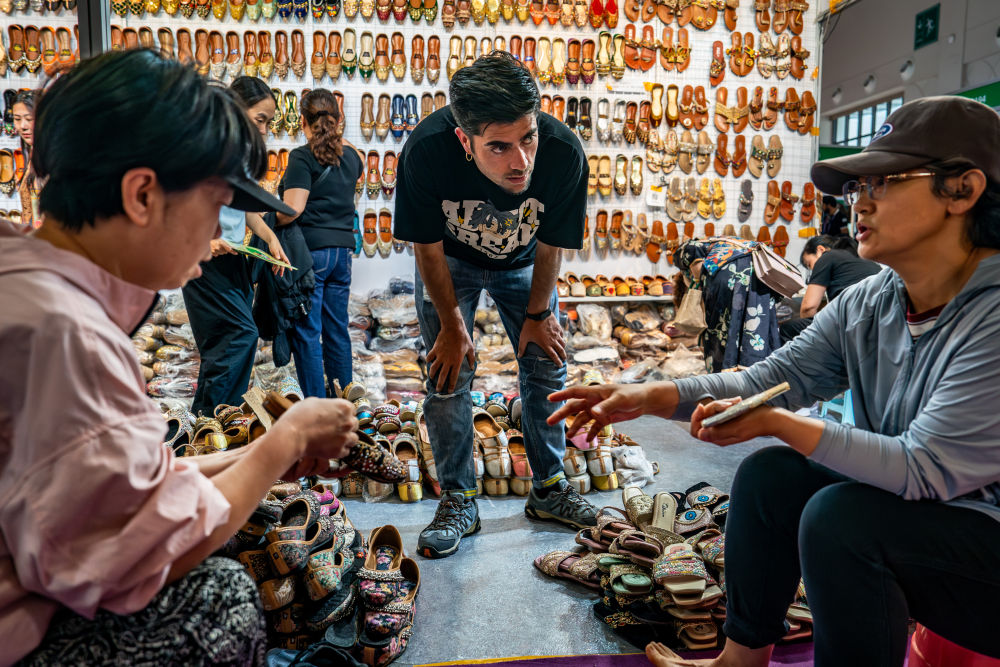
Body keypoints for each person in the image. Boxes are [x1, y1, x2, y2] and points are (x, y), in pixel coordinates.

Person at [549, 95, 1000, 667]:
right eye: (858, 187)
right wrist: (646, 396)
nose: (859, 202)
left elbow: (923, 468)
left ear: (962, 190)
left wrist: (781, 424)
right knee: (772, 478)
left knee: (841, 520)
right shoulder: (871, 301)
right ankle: (740, 661)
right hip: (937, 524)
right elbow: (778, 377)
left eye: (883, 182)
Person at [0, 50, 358, 665]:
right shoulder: (65, 335)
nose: (218, 229)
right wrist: (286, 438)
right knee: (220, 597)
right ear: (143, 194)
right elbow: (134, 555)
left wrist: (264, 453)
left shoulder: (27, 279)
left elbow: (126, 487)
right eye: (214, 205)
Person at [394, 52, 597, 559]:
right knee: (448, 373)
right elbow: (426, 248)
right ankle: (459, 499)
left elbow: (552, 244)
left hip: (525, 263)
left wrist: (538, 316)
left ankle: (549, 489)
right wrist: (450, 325)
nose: (521, 161)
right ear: (465, 141)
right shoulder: (426, 151)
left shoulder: (563, 152)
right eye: (499, 147)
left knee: (546, 363)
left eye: (527, 138)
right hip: (451, 263)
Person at [181, 76, 290, 417]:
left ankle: (205, 425)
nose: (264, 129)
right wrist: (206, 240)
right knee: (240, 336)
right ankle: (219, 419)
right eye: (260, 119)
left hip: (231, 258)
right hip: (205, 258)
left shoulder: (237, 154)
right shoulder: (207, 150)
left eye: (268, 122)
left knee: (222, 347)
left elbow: (243, 209)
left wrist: (270, 237)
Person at [279, 88, 363, 398]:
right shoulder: (352, 157)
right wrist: (336, 133)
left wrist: (262, 218)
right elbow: (350, 152)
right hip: (343, 254)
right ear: (338, 121)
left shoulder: (301, 157)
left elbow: (293, 210)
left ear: (303, 121)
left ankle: (315, 406)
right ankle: (344, 403)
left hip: (312, 253)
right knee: (337, 329)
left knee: (307, 332)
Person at [672, 238, 781, 373]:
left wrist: (697, 281)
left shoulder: (685, 253)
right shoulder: (721, 243)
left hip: (729, 274)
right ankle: (754, 374)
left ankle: (724, 374)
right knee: (758, 325)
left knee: (720, 330)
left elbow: (692, 250)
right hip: (761, 271)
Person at [778, 234, 882, 342]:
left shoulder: (827, 257)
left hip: (851, 323)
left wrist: (808, 336)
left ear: (820, 250)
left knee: (789, 328)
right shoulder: (866, 261)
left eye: (809, 264)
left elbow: (808, 307)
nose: (812, 270)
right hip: (876, 323)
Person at [11, 90, 41, 230]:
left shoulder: (53, 158)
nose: (23, 126)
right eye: (17, 119)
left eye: (29, 119)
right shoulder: (30, 152)